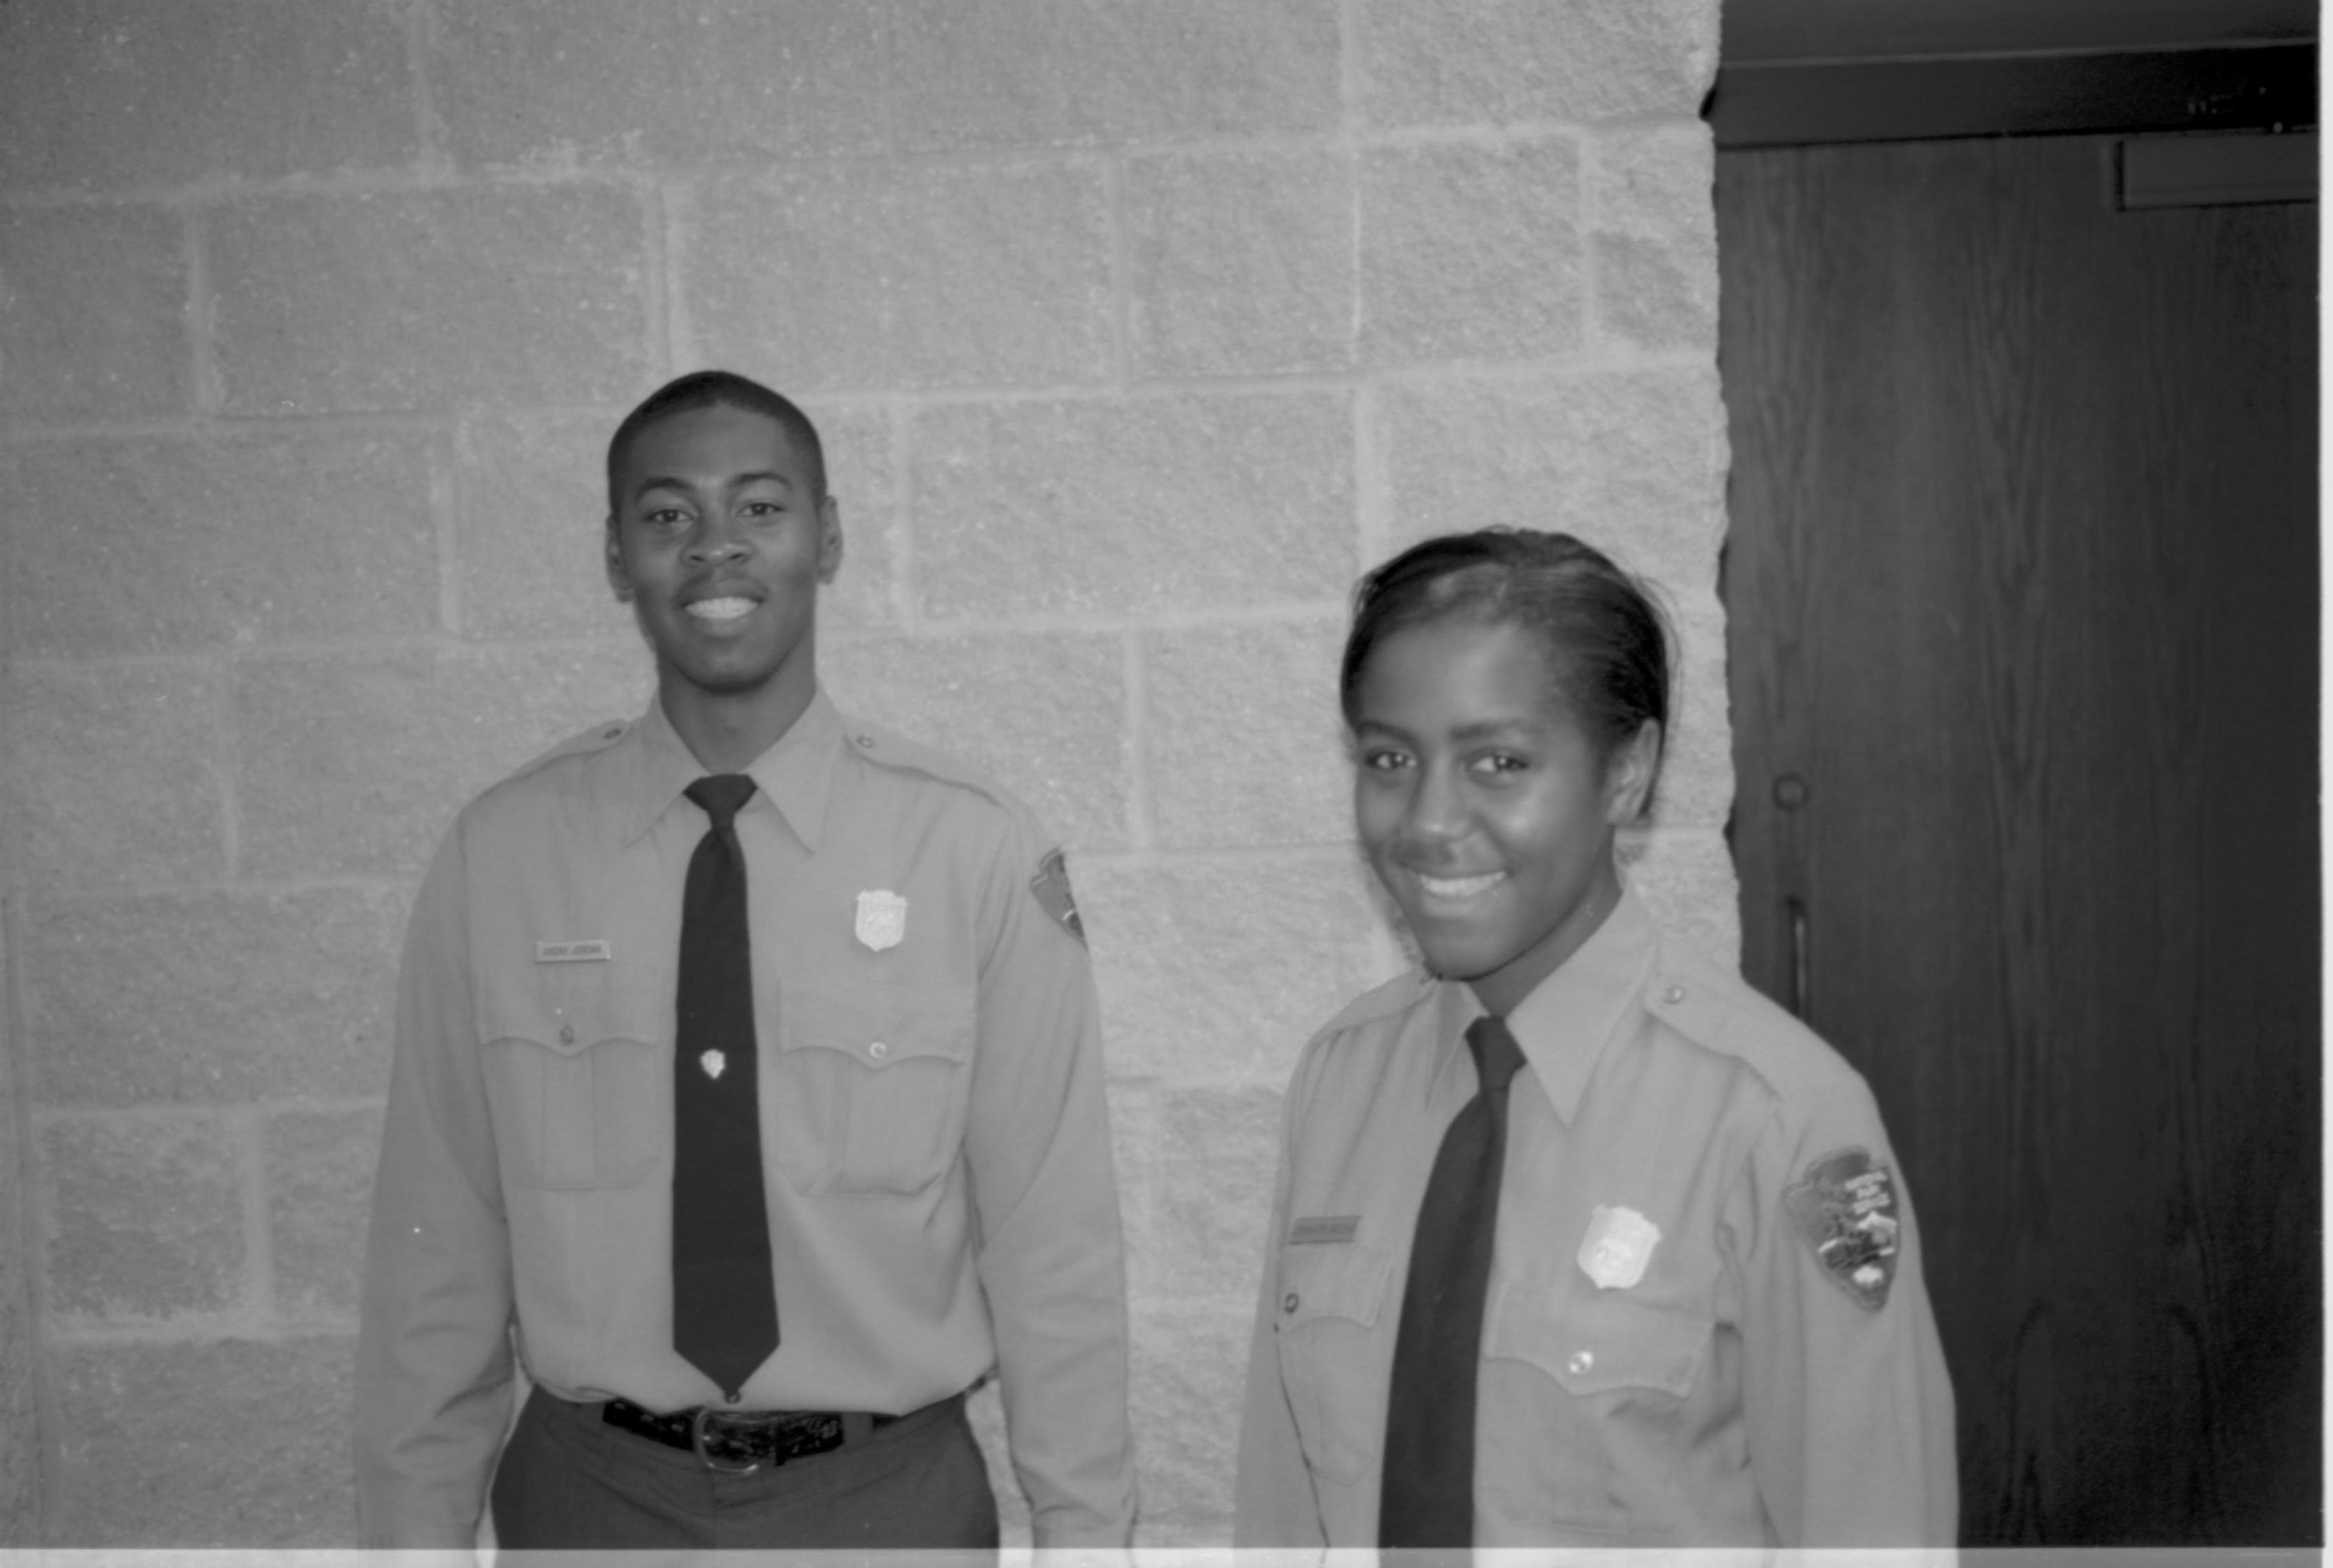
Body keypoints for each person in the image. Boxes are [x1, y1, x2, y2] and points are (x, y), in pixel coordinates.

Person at [355, 369, 1134, 1556]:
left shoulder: (972, 848)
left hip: (890, 1506)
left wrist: (1089, 1538)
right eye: (668, 516)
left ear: (828, 537)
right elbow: (438, 1253)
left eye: (761, 508)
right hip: (591, 1503)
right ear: (618, 557)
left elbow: (1052, 1241)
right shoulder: (500, 858)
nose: (715, 548)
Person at [1235, 528, 1957, 1550]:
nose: (1430, 821)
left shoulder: (1779, 1117)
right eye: (1390, 758)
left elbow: (1872, 1529)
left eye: (1500, 762)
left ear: (1627, 773)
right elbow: (1283, 1507)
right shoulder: (1343, 1080)